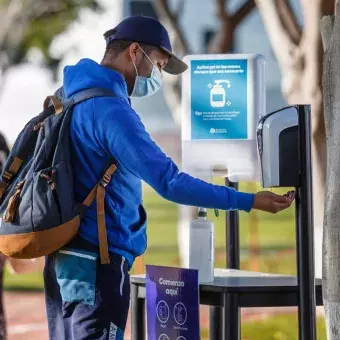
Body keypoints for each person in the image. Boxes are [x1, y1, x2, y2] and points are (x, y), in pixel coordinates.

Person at [44, 15, 295, 340]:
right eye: (158, 64)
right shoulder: (111, 111)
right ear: (134, 52)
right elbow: (170, 181)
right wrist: (248, 201)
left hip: (63, 258)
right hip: (98, 263)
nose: (156, 76)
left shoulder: (69, 94)